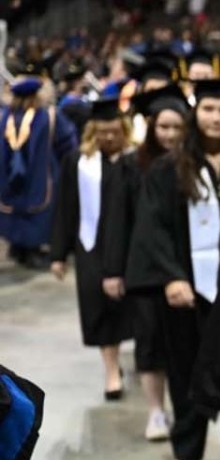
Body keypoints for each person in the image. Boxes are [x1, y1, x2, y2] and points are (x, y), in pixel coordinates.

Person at [126, 78, 220, 460]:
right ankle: (187, 448)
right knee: (186, 372)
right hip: (186, 293)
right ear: (195, 115)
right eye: (208, 110)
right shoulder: (167, 170)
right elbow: (152, 228)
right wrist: (170, 277)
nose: (216, 118)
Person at [103, 84, 190, 440]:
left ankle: (186, 413)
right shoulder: (130, 165)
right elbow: (118, 219)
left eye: (176, 128)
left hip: (182, 269)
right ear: (152, 127)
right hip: (144, 272)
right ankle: (156, 412)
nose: (169, 134)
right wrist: (112, 269)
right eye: (163, 127)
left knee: (184, 347)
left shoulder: (191, 166)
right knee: (150, 344)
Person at [49, 99, 135, 401]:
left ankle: (126, 360)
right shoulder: (77, 162)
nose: (109, 138)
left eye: (114, 131)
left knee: (128, 311)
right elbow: (65, 208)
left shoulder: (134, 161)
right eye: (102, 132)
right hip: (91, 246)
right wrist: (58, 253)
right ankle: (111, 370)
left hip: (130, 246)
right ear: (92, 132)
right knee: (97, 308)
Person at [0, 70, 79, 268]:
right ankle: (32, 249)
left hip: (10, 177)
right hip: (41, 175)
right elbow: (67, 144)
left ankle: (18, 248)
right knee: (38, 208)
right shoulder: (48, 116)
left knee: (14, 208)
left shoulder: (5, 118)